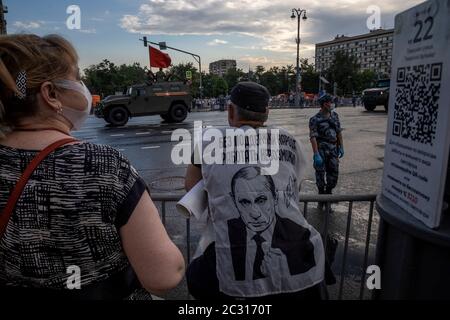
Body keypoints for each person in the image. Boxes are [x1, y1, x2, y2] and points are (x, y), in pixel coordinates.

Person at [0, 34, 185, 300]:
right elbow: (165, 275)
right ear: (51, 94)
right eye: (77, 78)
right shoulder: (103, 166)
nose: (82, 86)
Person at [185, 82, 325, 300]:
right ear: (266, 113)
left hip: (227, 267)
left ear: (231, 110)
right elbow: (292, 188)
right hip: (306, 262)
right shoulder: (289, 140)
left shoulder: (207, 141)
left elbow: (191, 187)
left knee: (197, 278)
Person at [309, 93, 344, 208]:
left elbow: (338, 132)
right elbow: (313, 136)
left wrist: (341, 146)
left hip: (333, 149)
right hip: (321, 150)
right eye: (330, 102)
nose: (332, 104)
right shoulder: (315, 119)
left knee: (333, 174)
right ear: (325, 104)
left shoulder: (335, 116)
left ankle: (328, 195)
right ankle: (321, 198)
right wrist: (316, 154)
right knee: (320, 174)